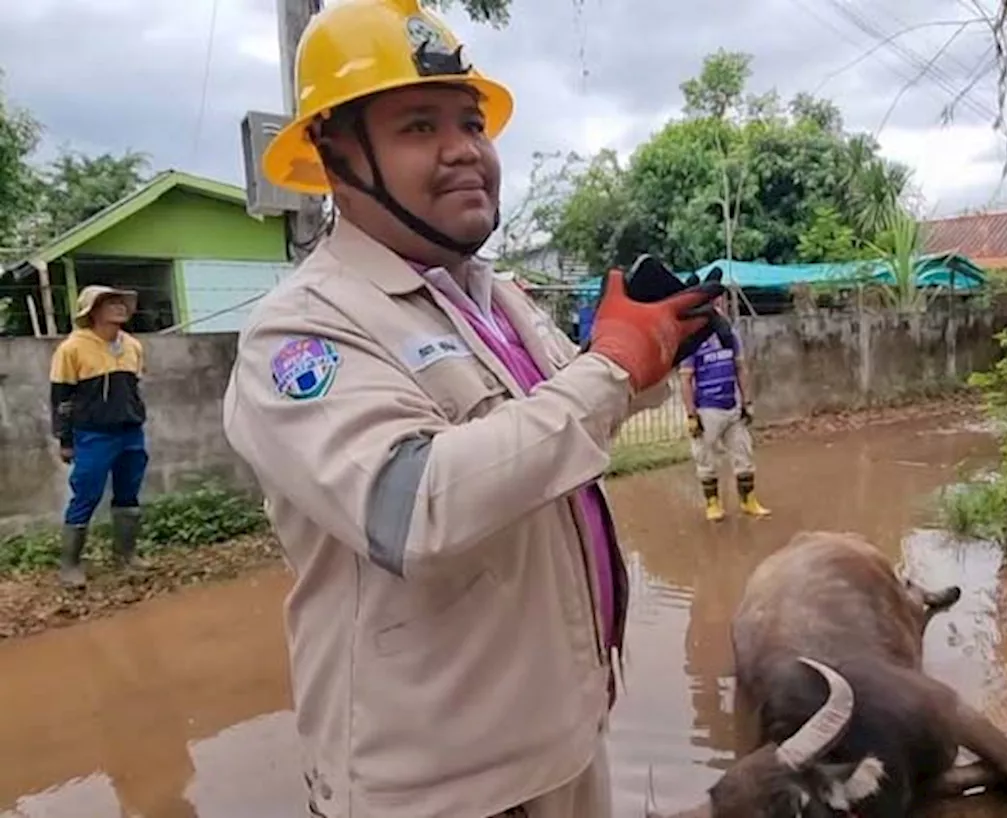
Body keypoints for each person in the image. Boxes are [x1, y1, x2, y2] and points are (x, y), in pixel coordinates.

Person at [220, 2, 724, 817]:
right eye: (419, 127)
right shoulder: (302, 330)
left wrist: (659, 347)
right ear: (336, 155)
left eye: (471, 122)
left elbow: (572, 417)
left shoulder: (497, 299)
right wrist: (609, 368)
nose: (464, 152)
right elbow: (411, 503)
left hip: (564, 739)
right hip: (443, 790)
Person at [49, 284, 149, 588]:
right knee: (86, 495)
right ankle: (70, 565)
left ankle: (126, 556)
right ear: (92, 311)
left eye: (122, 302)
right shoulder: (72, 349)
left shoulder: (132, 346)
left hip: (130, 432)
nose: (120, 307)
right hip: (93, 435)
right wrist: (65, 440)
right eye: (111, 303)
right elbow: (61, 399)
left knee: (128, 494)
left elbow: (134, 388)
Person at [679, 294, 771, 522]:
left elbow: (741, 368)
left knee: (744, 454)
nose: (717, 309)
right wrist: (691, 415)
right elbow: (685, 379)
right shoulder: (693, 341)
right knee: (705, 458)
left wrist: (747, 402)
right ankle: (713, 505)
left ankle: (748, 501)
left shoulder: (731, 336)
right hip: (707, 410)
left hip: (732, 407)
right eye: (713, 305)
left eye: (720, 304)